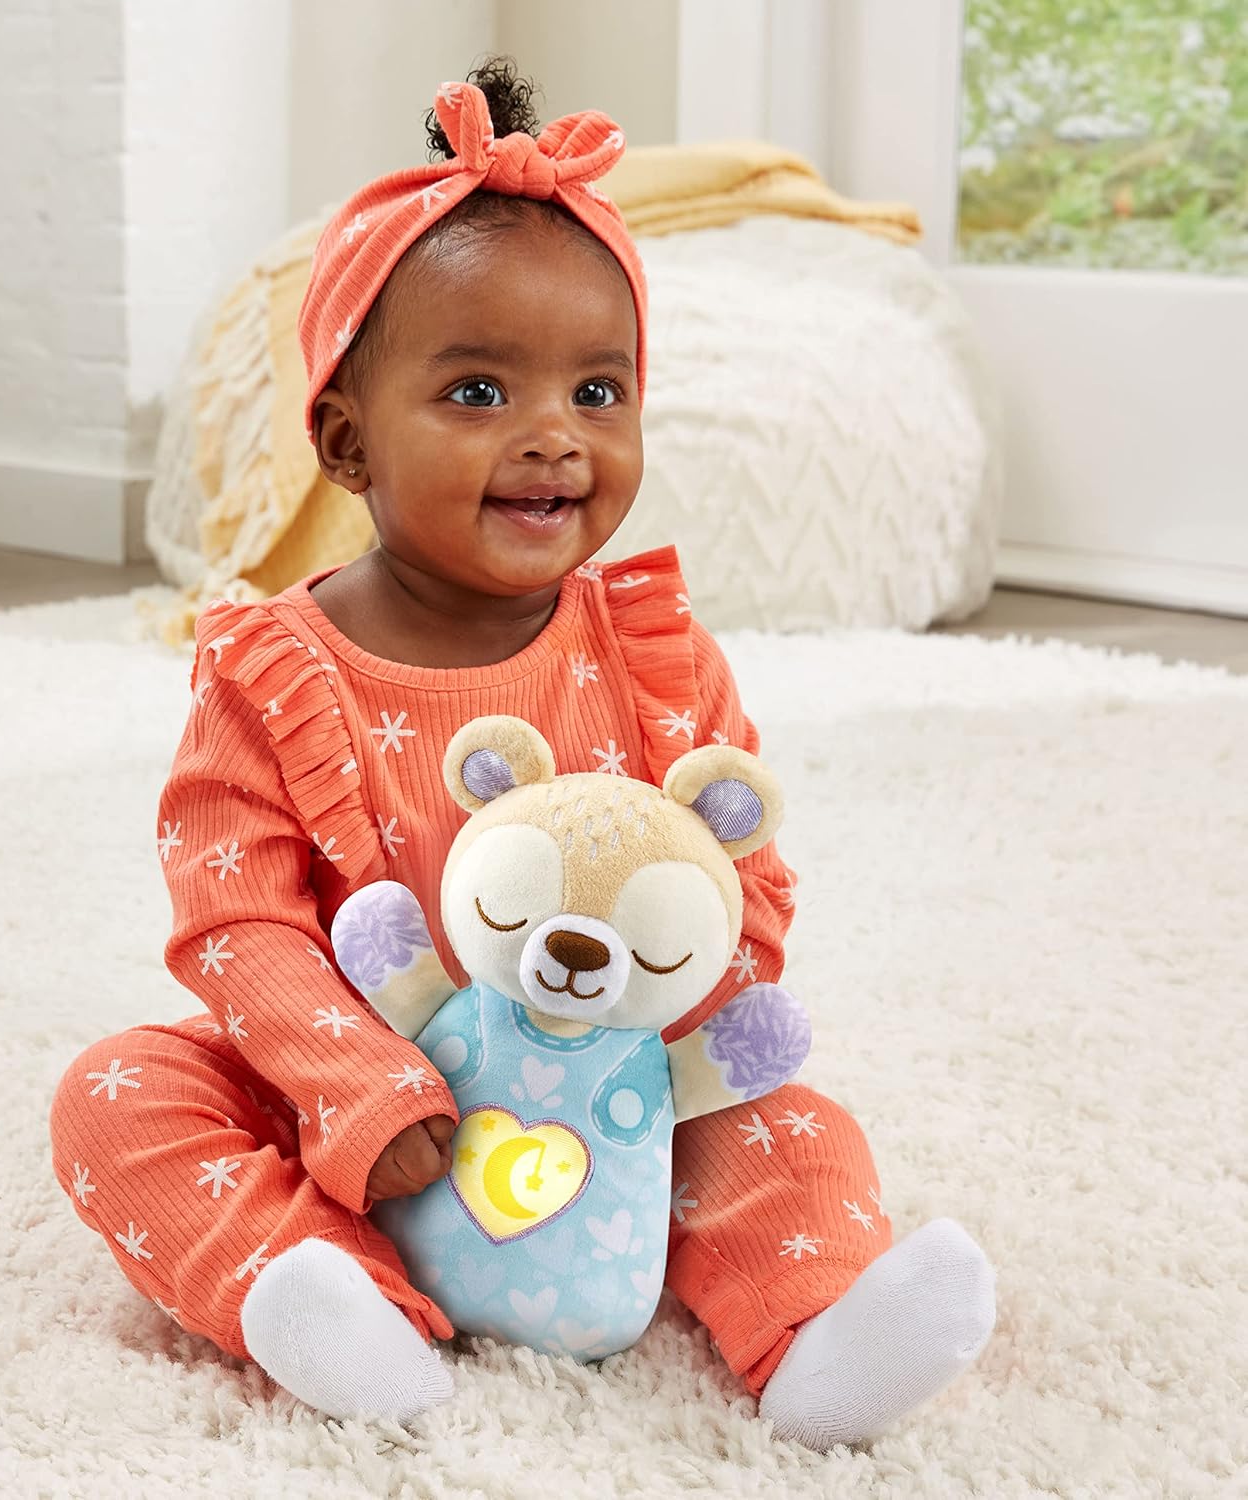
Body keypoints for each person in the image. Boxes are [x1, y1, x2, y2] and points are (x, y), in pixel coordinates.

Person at [49, 60, 995, 1449]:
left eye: (599, 390)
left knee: (792, 1129)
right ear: (347, 441)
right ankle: (342, 1307)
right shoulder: (273, 673)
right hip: (367, 1096)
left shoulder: (656, 656)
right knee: (119, 1097)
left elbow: (740, 875)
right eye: (480, 389)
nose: (555, 436)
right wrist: (354, 1088)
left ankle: (816, 1334)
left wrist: (672, 1040)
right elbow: (234, 918)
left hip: (611, 1089)